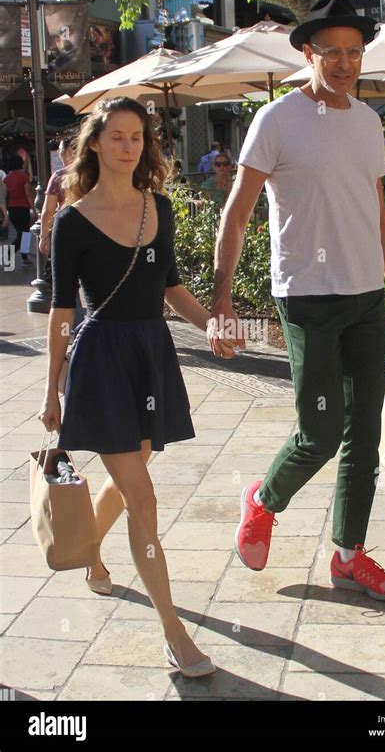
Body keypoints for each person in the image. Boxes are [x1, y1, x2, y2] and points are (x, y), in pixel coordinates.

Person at [209, 0, 385, 601]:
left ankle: (349, 556)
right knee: (320, 433)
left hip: (365, 300)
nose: (346, 63)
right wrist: (223, 304)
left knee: (363, 435)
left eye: (355, 52)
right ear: (308, 52)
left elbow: (375, 210)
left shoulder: (367, 120)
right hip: (306, 297)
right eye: (334, 52)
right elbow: (239, 211)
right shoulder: (276, 120)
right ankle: (264, 498)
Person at [37, 96, 235, 677]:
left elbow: (171, 287)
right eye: (117, 136)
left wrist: (215, 326)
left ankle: (92, 555)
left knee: (130, 478)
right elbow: (60, 312)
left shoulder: (160, 209)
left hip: (151, 355)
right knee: (142, 495)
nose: (129, 146)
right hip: (100, 362)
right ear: (93, 144)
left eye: (137, 137)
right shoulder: (73, 220)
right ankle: (175, 633)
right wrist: (51, 393)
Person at [40, 136, 85, 331]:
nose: (59, 152)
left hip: (66, 234)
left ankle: (75, 333)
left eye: (61, 149)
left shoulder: (59, 176)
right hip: (94, 230)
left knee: (67, 287)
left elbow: (48, 210)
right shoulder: (93, 173)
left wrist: (44, 235)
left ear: (70, 151)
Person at [4, 155, 35, 266]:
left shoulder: (7, 179)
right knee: (24, 233)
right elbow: (28, 193)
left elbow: (5, 195)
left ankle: (24, 257)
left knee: (21, 233)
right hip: (23, 208)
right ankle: (10, 253)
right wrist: (33, 208)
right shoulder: (24, 176)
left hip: (12, 208)